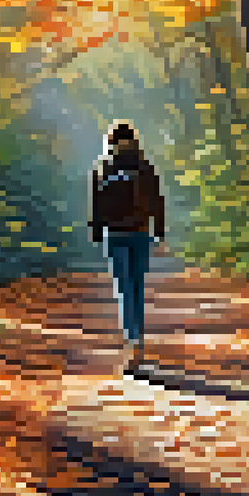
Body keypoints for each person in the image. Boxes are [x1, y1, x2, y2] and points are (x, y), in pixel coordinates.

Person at [88, 121, 165, 355]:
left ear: (110, 141)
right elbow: (156, 200)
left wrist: (96, 232)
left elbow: (96, 202)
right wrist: (159, 231)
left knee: (123, 287)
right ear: (134, 140)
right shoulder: (144, 166)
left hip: (114, 234)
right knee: (137, 285)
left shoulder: (102, 167)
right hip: (140, 232)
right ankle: (138, 335)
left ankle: (131, 336)